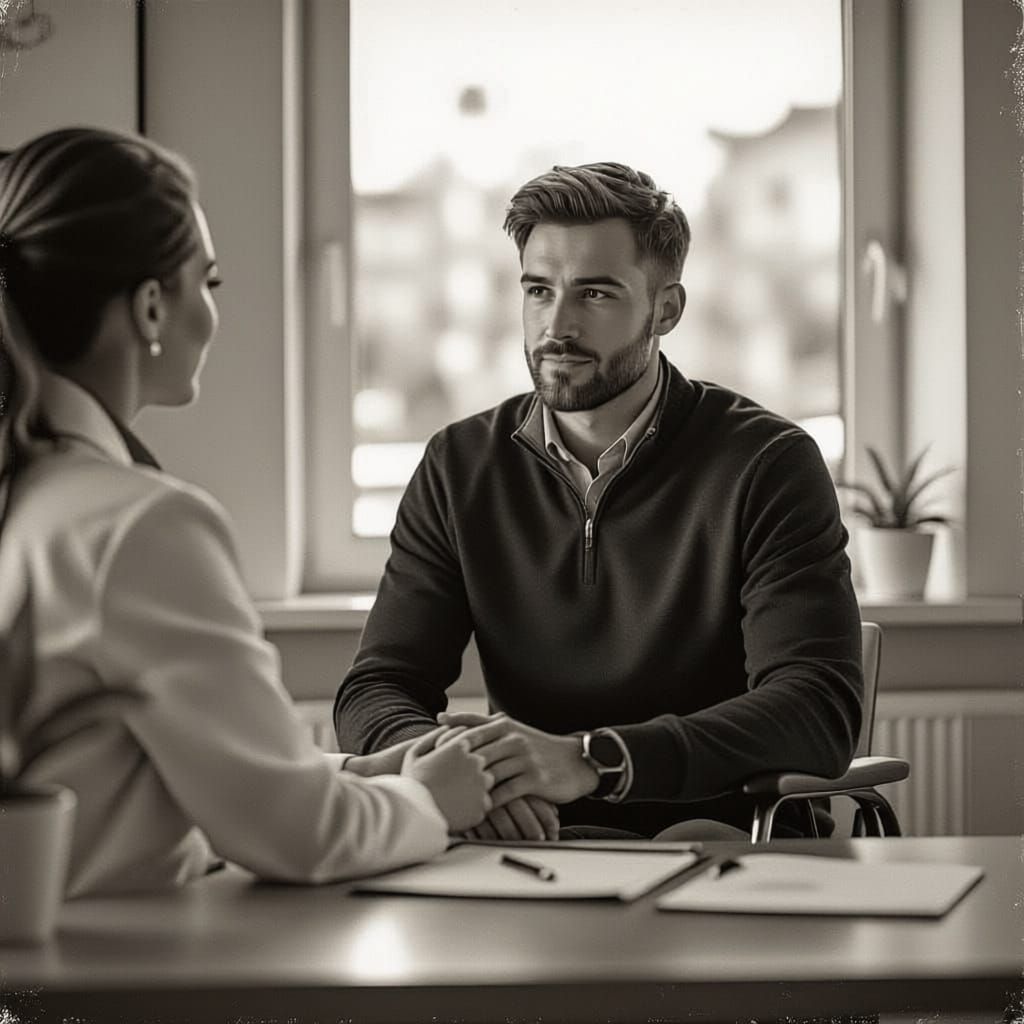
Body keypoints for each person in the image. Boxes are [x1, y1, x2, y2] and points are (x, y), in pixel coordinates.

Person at [0, 127, 497, 897]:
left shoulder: (32, 495)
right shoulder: (134, 524)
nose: (214, 310)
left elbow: (145, 773)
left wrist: (362, 771)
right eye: (212, 280)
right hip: (121, 976)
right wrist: (433, 799)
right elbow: (302, 836)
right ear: (153, 309)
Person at [334, 161, 864, 843]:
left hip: (723, 849)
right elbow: (376, 687)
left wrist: (594, 761)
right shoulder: (459, 465)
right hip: (525, 845)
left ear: (665, 309)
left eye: (596, 294)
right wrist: (460, 771)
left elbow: (816, 711)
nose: (557, 325)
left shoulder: (766, 463)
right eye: (538, 289)